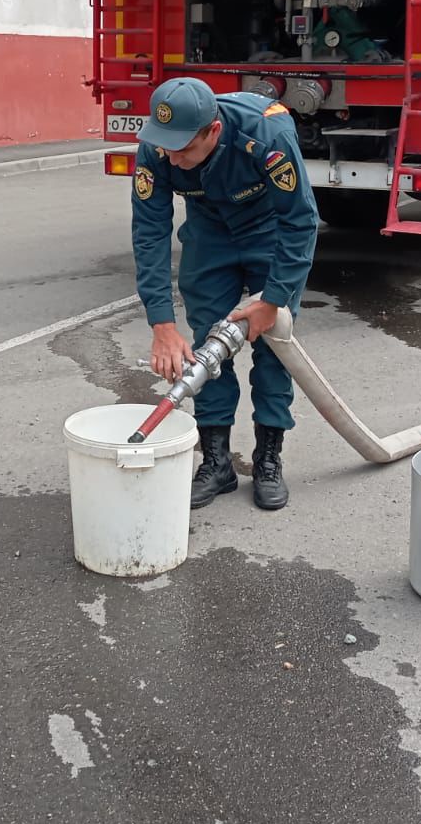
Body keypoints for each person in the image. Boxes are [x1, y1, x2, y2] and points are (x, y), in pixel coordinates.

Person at [131, 76, 319, 512]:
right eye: (166, 148)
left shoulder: (267, 132)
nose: (172, 159)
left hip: (268, 231)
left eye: (183, 150)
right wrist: (161, 323)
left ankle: (268, 458)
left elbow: (301, 221)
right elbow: (149, 232)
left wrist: (273, 300)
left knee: (273, 348)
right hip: (210, 234)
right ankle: (216, 462)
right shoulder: (158, 145)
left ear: (213, 131)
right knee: (206, 347)